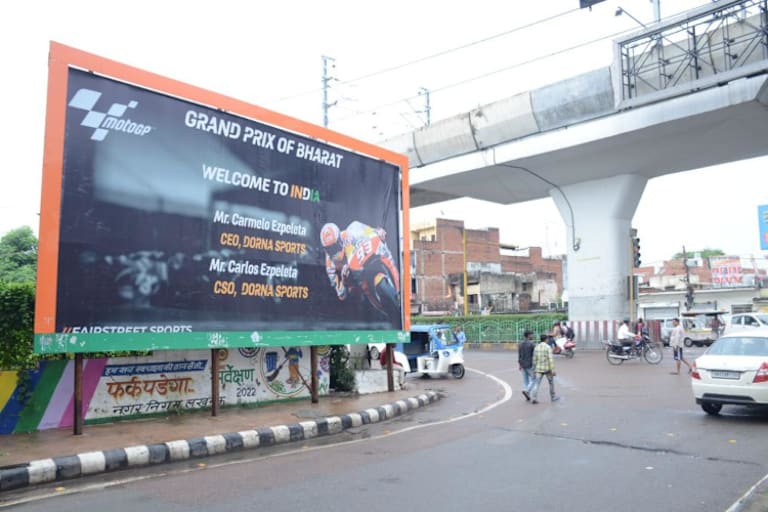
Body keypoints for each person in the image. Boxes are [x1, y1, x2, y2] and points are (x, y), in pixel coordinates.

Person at [320, 221, 399, 302]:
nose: (335, 252)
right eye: (330, 249)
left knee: (387, 257)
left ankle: (399, 291)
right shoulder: (330, 266)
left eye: (335, 246)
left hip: (362, 263)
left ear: (340, 239)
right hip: (352, 281)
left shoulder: (348, 235)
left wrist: (377, 232)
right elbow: (341, 295)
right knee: (362, 290)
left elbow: (368, 232)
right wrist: (344, 280)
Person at [530, 334, 559, 404]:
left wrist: (533, 369)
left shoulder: (536, 347)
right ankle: (553, 397)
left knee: (537, 383)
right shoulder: (548, 347)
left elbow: (534, 359)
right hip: (547, 369)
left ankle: (534, 398)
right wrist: (553, 370)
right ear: (546, 339)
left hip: (538, 369)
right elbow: (550, 359)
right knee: (551, 383)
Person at [518, 330, 536, 401]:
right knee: (534, 379)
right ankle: (527, 391)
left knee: (526, 381)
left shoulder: (520, 344)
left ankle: (527, 393)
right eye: (532, 334)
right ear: (528, 335)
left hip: (522, 364)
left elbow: (519, 355)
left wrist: (519, 364)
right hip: (530, 364)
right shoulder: (532, 344)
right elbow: (534, 355)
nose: (532, 336)